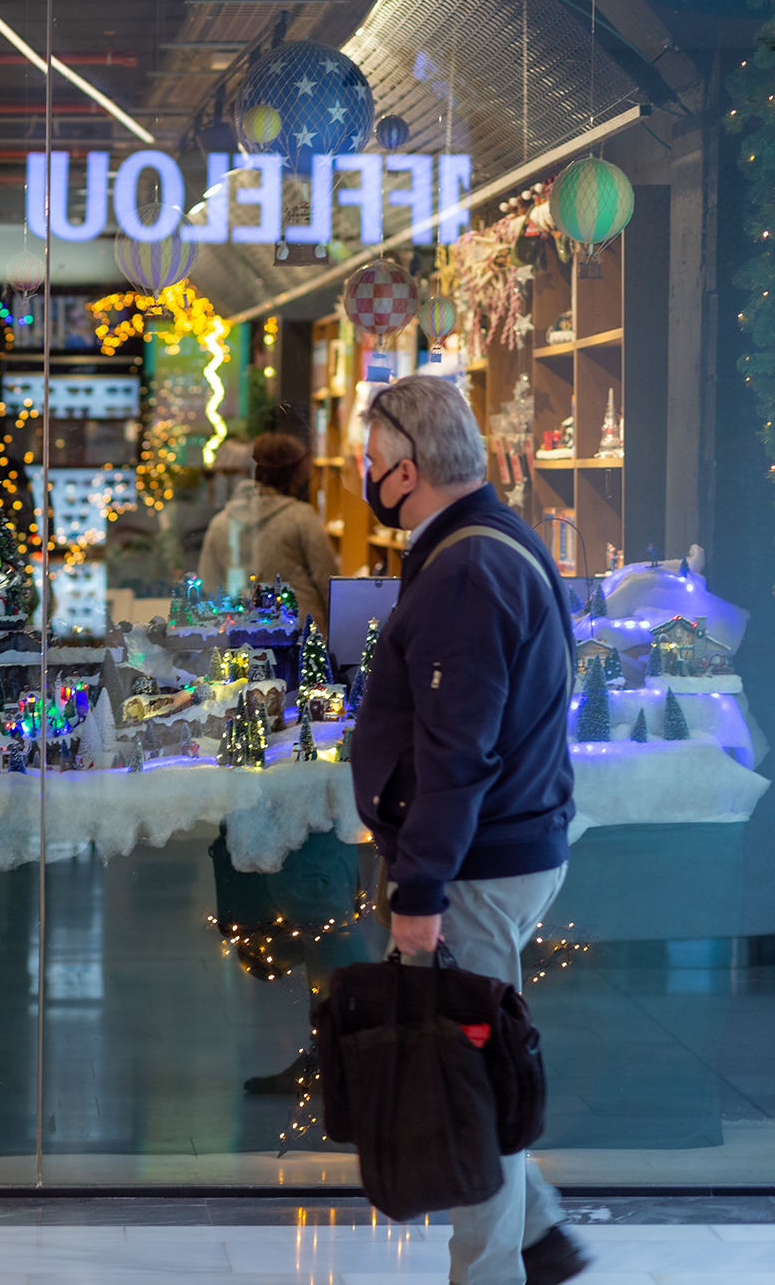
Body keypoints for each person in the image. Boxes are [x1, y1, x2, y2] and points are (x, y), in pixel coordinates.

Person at [346, 375, 589, 1285]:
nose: (367, 478)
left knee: (464, 1086)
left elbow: (458, 755)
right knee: (468, 1065)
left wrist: (419, 889)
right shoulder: (485, 544)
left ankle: (490, 1272)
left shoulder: (464, 570)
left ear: (407, 470)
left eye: (373, 464)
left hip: (476, 867)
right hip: (496, 851)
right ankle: (543, 1239)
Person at [197, 430, 338, 628]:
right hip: (300, 638)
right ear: (295, 472)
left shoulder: (221, 522)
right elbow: (329, 584)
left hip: (240, 638)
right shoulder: (301, 518)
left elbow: (209, 588)